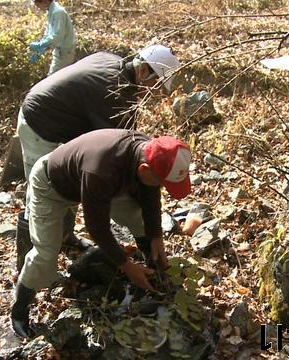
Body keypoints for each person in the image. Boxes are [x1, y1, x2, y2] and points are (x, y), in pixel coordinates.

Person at [13, 44, 181, 279]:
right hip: (40, 123)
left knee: (73, 177)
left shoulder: (114, 63)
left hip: (64, 120)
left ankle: (65, 237)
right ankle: (28, 266)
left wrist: (153, 231)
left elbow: (137, 158)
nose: (152, 95)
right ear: (144, 71)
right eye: (154, 86)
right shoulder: (115, 96)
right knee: (43, 191)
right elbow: (125, 163)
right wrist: (141, 214)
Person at [11, 128, 192, 337]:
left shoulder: (151, 152)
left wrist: (156, 236)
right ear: (143, 170)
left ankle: (153, 270)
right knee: (46, 253)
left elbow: (150, 194)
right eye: (163, 183)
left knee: (138, 219)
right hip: (51, 186)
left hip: (98, 184)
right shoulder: (102, 170)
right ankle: (19, 310)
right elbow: (97, 227)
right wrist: (127, 266)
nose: (163, 188)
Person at [29, 0, 77, 75]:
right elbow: (49, 32)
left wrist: (41, 44)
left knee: (54, 78)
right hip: (59, 50)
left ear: (45, 1)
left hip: (65, 51)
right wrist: (40, 48)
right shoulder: (51, 11)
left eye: (38, 5)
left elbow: (58, 35)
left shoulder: (58, 12)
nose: (38, 8)